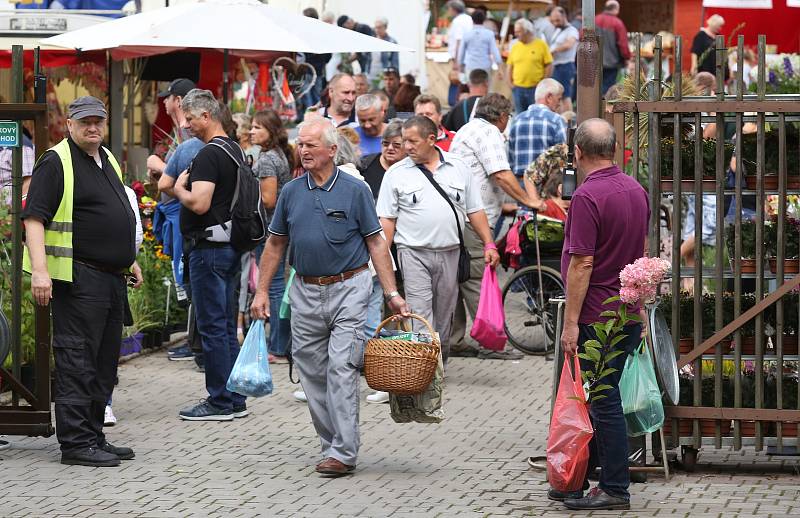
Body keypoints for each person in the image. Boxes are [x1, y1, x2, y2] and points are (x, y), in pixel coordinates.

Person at [251, 118, 409, 477]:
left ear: (332, 150)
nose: (303, 151)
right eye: (300, 145)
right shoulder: (291, 192)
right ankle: (331, 444)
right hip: (304, 291)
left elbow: (376, 243)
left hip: (349, 288)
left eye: (310, 145)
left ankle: (343, 451)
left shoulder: (355, 190)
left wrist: (392, 293)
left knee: (341, 368)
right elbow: (275, 244)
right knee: (311, 374)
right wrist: (262, 291)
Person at [22, 96, 138, 467]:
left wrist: (130, 259)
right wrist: (40, 271)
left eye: (98, 121)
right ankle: (74, 443)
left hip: (111, 278)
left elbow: (117, 213)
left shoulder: (107, 160)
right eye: (85, 121)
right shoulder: (56, 162)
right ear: (69, 124)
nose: (92, 127)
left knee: (104, 362)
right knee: (77, 360)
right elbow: (33, 219)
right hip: (79, 278)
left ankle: (94, 436)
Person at [555, 119, 649, 511]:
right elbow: (640, 255)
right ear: (614, 149)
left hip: (599, 314)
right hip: (625, 310)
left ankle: (614, 486)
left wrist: (571, 322)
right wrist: (640, 309)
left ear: (577, 152)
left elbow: (582, 264)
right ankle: (585, 475)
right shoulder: (635, 190)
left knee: (603, 398)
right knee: (598, 395)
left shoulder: (587, 196)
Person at [376, 115, 499, 363]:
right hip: (412, 252)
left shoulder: (458, 167)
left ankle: (437, 361)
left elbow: (475, 210)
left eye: (412, 141)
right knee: (420, 314)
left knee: (445, 316)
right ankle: (425, 373)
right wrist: (383, 258)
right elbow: (387, 220)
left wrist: (489, 243)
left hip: (451, 252)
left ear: (431, 140)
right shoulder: (396, 174)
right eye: (404, 141)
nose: (407, 147)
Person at [171, 89, 247, 421]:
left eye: (189, 118)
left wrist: (178, 191)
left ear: (206, 116)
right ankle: (234, 397)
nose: (186, 125)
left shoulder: (208, 156)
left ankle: (218, 401)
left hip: (209, 249)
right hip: (230, 246)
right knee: (226, 325)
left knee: (213, 325)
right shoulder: (234, 150)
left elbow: (200, 203)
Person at [448, 93, 542, 359]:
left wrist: (506, 205)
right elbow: (500, 174)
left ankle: (454, 339)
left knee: (458, 278)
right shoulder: (488, 133)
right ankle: (491, 343)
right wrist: (528, 200)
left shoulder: (468, 129)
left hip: (460, 217)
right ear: (502, 117)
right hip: (473, 221)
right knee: (477, 279)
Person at [247, 109, 294, 362]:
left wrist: (246, 188)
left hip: (268, 230)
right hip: (279, 227)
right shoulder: (278, 154)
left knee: (273, 286)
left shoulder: (266, 159)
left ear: (270, 132)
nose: (252, 131)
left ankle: (277, 345)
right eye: (252, 127)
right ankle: (279, 341)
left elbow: (268, 199)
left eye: (257, 127)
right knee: (277, 284)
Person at [509, 79, 567, 184]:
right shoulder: (556, 121)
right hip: (547, 184)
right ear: (549, 97)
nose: (559, 104)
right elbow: (564, 155)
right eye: (559, 99)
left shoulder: (516, 120)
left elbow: (511, 158)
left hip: (521, 185)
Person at [146, 78, 197, 192]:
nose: (164, 101)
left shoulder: (188, 131)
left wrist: (157, 165)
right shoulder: (180, 130)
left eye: (168, 97)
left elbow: (189, 175)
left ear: (178, 100)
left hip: (180, 205)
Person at [506, 18, 553, 114]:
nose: (516, 34)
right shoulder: (515, 46)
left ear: (527, 31)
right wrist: (510, 83)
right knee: (520, 114)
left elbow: (549, 64)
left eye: (518, 32)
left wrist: (543, 83)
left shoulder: (541, 45)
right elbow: (510, 66)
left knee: (536, 114)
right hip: (518, 88)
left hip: (535, 89)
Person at [359, 120, 406, 200]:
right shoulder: (364, 165)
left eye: (396, 145)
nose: (390, 148)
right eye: (386, 143)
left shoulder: (413, 168)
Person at [595, 0, 631, 96]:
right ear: (616, 9)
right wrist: (627, 58)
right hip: (611, 63)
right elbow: (623, 43)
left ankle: (594, 109)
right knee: (608, 90)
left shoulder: (594, 20)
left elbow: (582, 37)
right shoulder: (617, 23)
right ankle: (604, 109)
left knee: (594, 88)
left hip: (594, 62)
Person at [547, 6, 579, 113]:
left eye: (557, 20)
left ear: (564, 16)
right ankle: (561, 118)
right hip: (557, 66)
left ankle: (568, 122)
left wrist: (554, 50)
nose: (555, 22)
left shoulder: (572, 30)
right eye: (553, 20)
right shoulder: (558, 30)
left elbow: (569, 44)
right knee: (557, 95)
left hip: (565, 66)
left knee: (565, 95)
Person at [458, 10, 503, 81]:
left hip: (471, 65)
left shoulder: (467, 34)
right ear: (484, 20)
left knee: (471, 88)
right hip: (485, 66)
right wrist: (500, 68)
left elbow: (461, 54)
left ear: (472, 19)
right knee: (485, 89)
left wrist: (460, 67)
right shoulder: (489, 34)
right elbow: (495, 52)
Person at [446, 0, 473, 75]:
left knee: (458, 79)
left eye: (449, 9)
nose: (449, 11)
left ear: (453, 9)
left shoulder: (458, 21)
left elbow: (459, 41)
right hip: (467, 55)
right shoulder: (469, 18)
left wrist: (456, 61)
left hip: (460, 57)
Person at [371, 17, 400, 82]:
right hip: (371, 75)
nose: (377, 30)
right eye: (376, 27)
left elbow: (395, 62)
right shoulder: (371, 41)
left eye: (379, 27)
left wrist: (396, 77)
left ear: (385, 27)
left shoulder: (392, 42)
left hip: (384, 76)